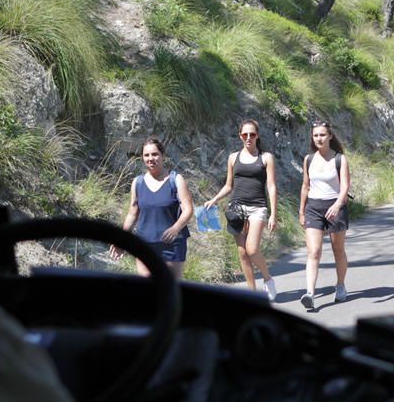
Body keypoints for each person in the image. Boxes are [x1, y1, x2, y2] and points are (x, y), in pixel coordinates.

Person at [204, 119, 277, 301]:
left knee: (252, 249)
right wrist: (214, 199)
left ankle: (267, 278)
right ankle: (252, 295)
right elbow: (229, 185)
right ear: (240, 136)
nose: (249, 138)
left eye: (252, 134)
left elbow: (271, 187)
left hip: (257, 208)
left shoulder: (266, 157)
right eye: (245, 134)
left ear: (257, 135)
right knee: (242, 252)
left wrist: (273, 214)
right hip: (236, 207)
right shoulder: (233, 157)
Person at [110, 136, 194, 279]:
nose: (151, 158)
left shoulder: (176, 179)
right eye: (146, 155)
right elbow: (132, 214)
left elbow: (188, 209)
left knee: (171, 287)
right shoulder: (137, 183)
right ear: (142, 158)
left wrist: (175, 228)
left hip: (171, 244)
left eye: (155, 154)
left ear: (163, 155)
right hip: (144, 244)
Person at [298, 121, 351, 309]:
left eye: (322, 135)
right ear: (312, 138)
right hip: (314, 206)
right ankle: (310, 293)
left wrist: (337, 204)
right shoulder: (308, 159)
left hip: (335, 205)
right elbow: (305, 186)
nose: (319, 138)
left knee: (338, 250)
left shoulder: (339, 159)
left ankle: (340, 285)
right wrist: (301, 211)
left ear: (330, 136)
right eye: (315, 135)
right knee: (314, 251)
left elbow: (345, 187)